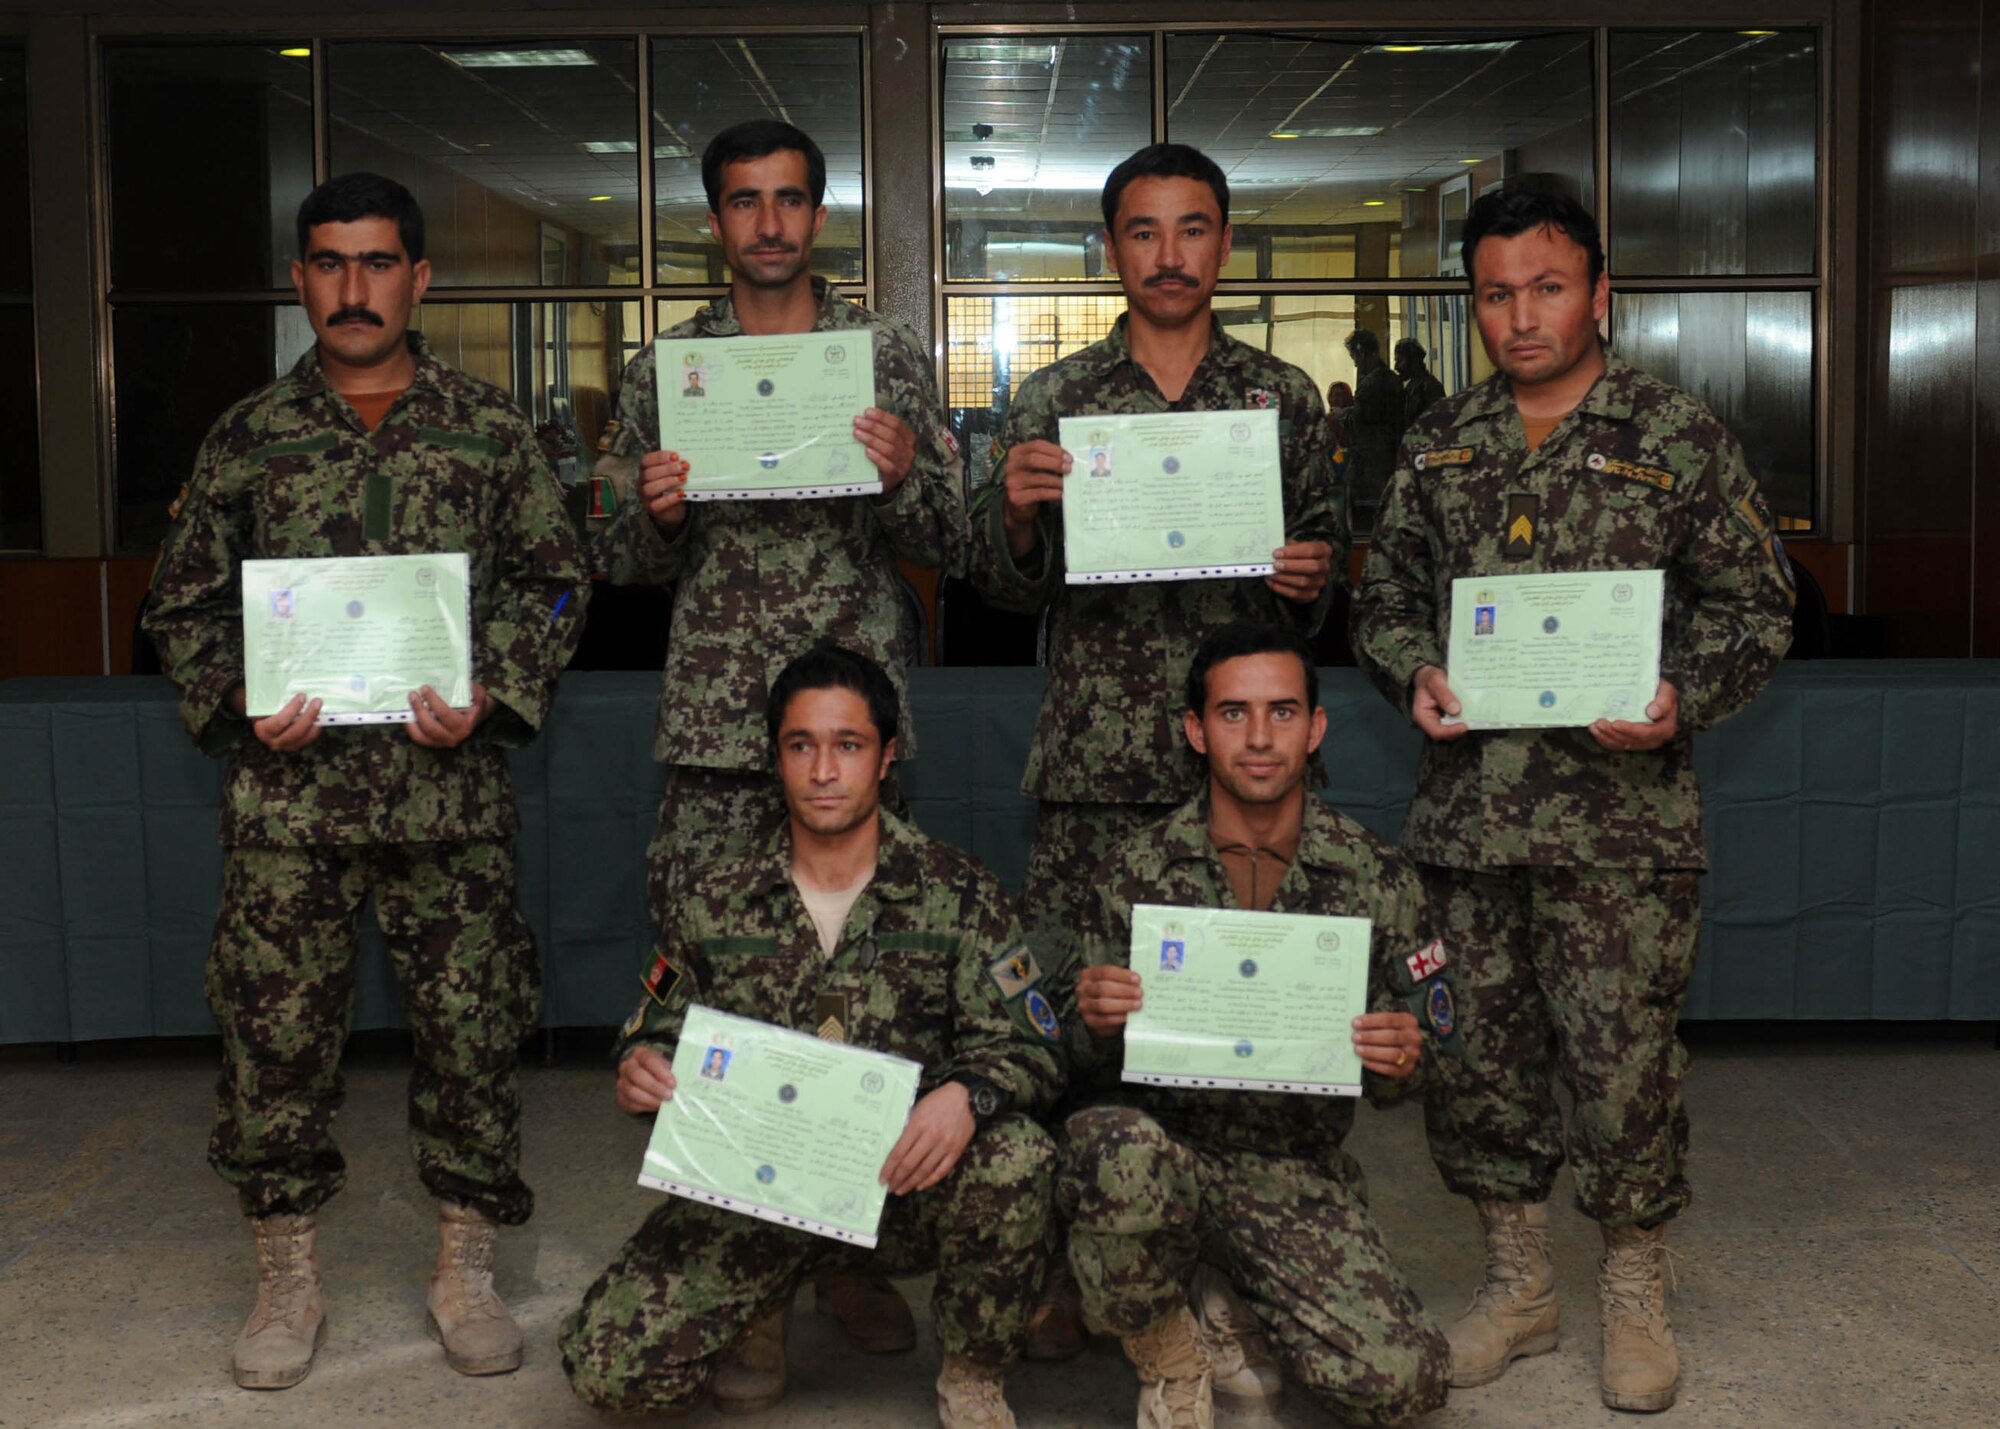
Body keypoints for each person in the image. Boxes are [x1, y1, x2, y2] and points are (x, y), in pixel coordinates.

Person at [1350, 187, 1795, 1413]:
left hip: (1620, 830)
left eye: (1546, 289)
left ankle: (1633, 1287)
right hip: (1468, 826)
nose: (1519, 317)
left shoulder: (1673, 435)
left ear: (1598, 294)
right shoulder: (1439, 442)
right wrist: (1413, 670)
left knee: (1622, 1069)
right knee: (1477, 1063)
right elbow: (1381, 600)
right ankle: (1518, 1284)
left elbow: (1755, 606)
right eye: (1494, 294)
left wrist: (1679, 695)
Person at [143, 172, 589, 1390]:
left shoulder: (488, 429)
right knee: (274, 1037)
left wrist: (494, 688)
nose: (354, 288)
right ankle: (286, 1271)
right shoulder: (247, 436)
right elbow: (179, 606)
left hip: (451, 801)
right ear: (300, 279)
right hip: (289, 805)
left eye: (378, 262)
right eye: (330, 263)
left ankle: (465, 1263)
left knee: (471, 1029)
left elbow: (558, 581)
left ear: (419, 278)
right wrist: (238, 700)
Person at [590, 118, 966, 1349]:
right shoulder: (667, 368)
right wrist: (651, 516)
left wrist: (903, 475)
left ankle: (846, 1255)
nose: (768, 223)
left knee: (867, 990)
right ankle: (745, 1276)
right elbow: (607, 554)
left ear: (818, 214)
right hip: (717, 724)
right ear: (714, 221)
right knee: (724, 1003)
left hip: (854, 727)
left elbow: (958, 537)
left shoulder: (884, 355)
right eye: (744, 201)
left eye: (789, 199)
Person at [967, 142, 1341, 1358]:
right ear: (1110, 248)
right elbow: (1000, 587)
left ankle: (1226, 1260)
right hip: (1095, 764)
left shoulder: (1280, 396)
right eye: (1142, 231)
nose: (1168, 255)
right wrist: (1014, 516)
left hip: (1241, 771)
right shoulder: (1054, 398)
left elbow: (1326, 573)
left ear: (1223, 243)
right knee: (1082, 1020)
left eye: (1191, 229)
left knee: (1238, 1018)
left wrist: (1310, 577)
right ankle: (1078, 1261)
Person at [559, 645, 1063, 1428]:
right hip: (760, 1194)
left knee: (1018, 1155)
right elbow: (652, 1030)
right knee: (612, 1371)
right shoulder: (715, 899)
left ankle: (972, 1365)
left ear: (887, 756)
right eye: (801, 745)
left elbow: (1032, 1045)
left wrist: (968, 1093)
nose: (824, 770)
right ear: (776, 757)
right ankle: (768, 1298)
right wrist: (640, 1066)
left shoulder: (958, 891)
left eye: (848, 744)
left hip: (905, 1186)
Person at [1051, 621, 1455, 1427]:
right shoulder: (1135, 869)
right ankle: (1169, 1345)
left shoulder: (1377, 878)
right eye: (1233, 713)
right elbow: (1061, 1053)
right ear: (1196, 729)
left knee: (1401, 1383)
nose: (1261, 737)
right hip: (1157, 1156)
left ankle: (1225, 1285)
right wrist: (1089, 1019)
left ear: (1317, 727)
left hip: (1291, 1167)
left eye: (1283, 711)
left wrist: (1406, 1056)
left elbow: (1439, 1049)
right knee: (1108, 1146)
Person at [1343, 327, 1404, 523]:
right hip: (1390, 457)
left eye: (1353, 356)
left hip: (1370, 462)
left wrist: (1342, 417)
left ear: (1361, 353)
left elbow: (1359, 422)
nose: (1354, 362)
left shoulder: (1370, 383)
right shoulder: (1392, 379)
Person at [1394, 337, 1447, 428]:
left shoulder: (1431, 387)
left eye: (1400, 361)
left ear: (1414, 361)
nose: (1396, 367)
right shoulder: (1411, 387)